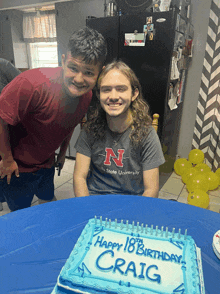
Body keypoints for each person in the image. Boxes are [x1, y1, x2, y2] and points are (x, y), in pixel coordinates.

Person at [0, 27, 107, 211]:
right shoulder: (31, 84)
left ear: (100, 72)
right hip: (19, 167)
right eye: (73, 68)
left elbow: (69, 123)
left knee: (48, 201)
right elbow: (1, 117)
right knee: (23, 215)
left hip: (47, 162)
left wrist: (63, 153)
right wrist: (7, 159)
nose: (79, 79)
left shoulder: (87, 96)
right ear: (63, 60)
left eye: (89, 73)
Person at [73, 60, 165, 197]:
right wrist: (87, 210)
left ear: (134, 94)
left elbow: (151, 190)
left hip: (132, 203)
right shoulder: (89, 130)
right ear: (98, 95)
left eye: (121, 89)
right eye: (106, 89)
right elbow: (79, 177)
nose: (114, 97)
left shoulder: (147, 135)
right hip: (95, 200)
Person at [0, 59, 21, 211]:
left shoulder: (3, 66)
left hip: (7, 131)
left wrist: (7, 157)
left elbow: (25, 89)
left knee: (10, 177)